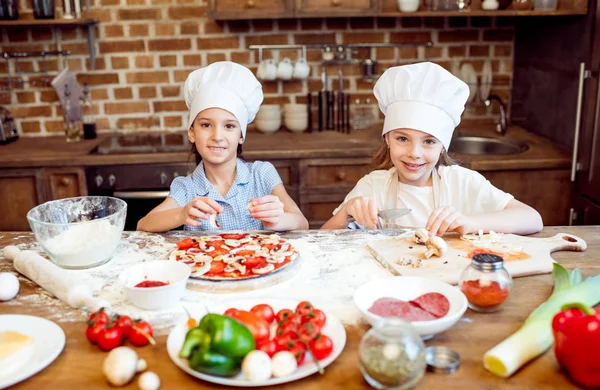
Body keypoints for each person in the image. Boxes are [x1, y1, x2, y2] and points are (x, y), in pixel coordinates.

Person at [321, 62, 543, 237]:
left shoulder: (462, 182)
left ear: (443, 146)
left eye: (428, 141)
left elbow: (532, 218)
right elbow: (320, 239)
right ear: (387, 138)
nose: (414, 153)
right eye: (402, 138)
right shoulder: (373, 185)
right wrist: (346, 212)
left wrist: (470, 222)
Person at [137, 61, 308, 232]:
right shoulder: (187, 188)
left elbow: (302, 223)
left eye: (229, 126)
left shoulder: (261, 175)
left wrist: (278, 220)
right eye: (206, 125)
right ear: (191, 132)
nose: (217, 137)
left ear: (241, 135)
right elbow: (143, 225)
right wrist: (182, 214)